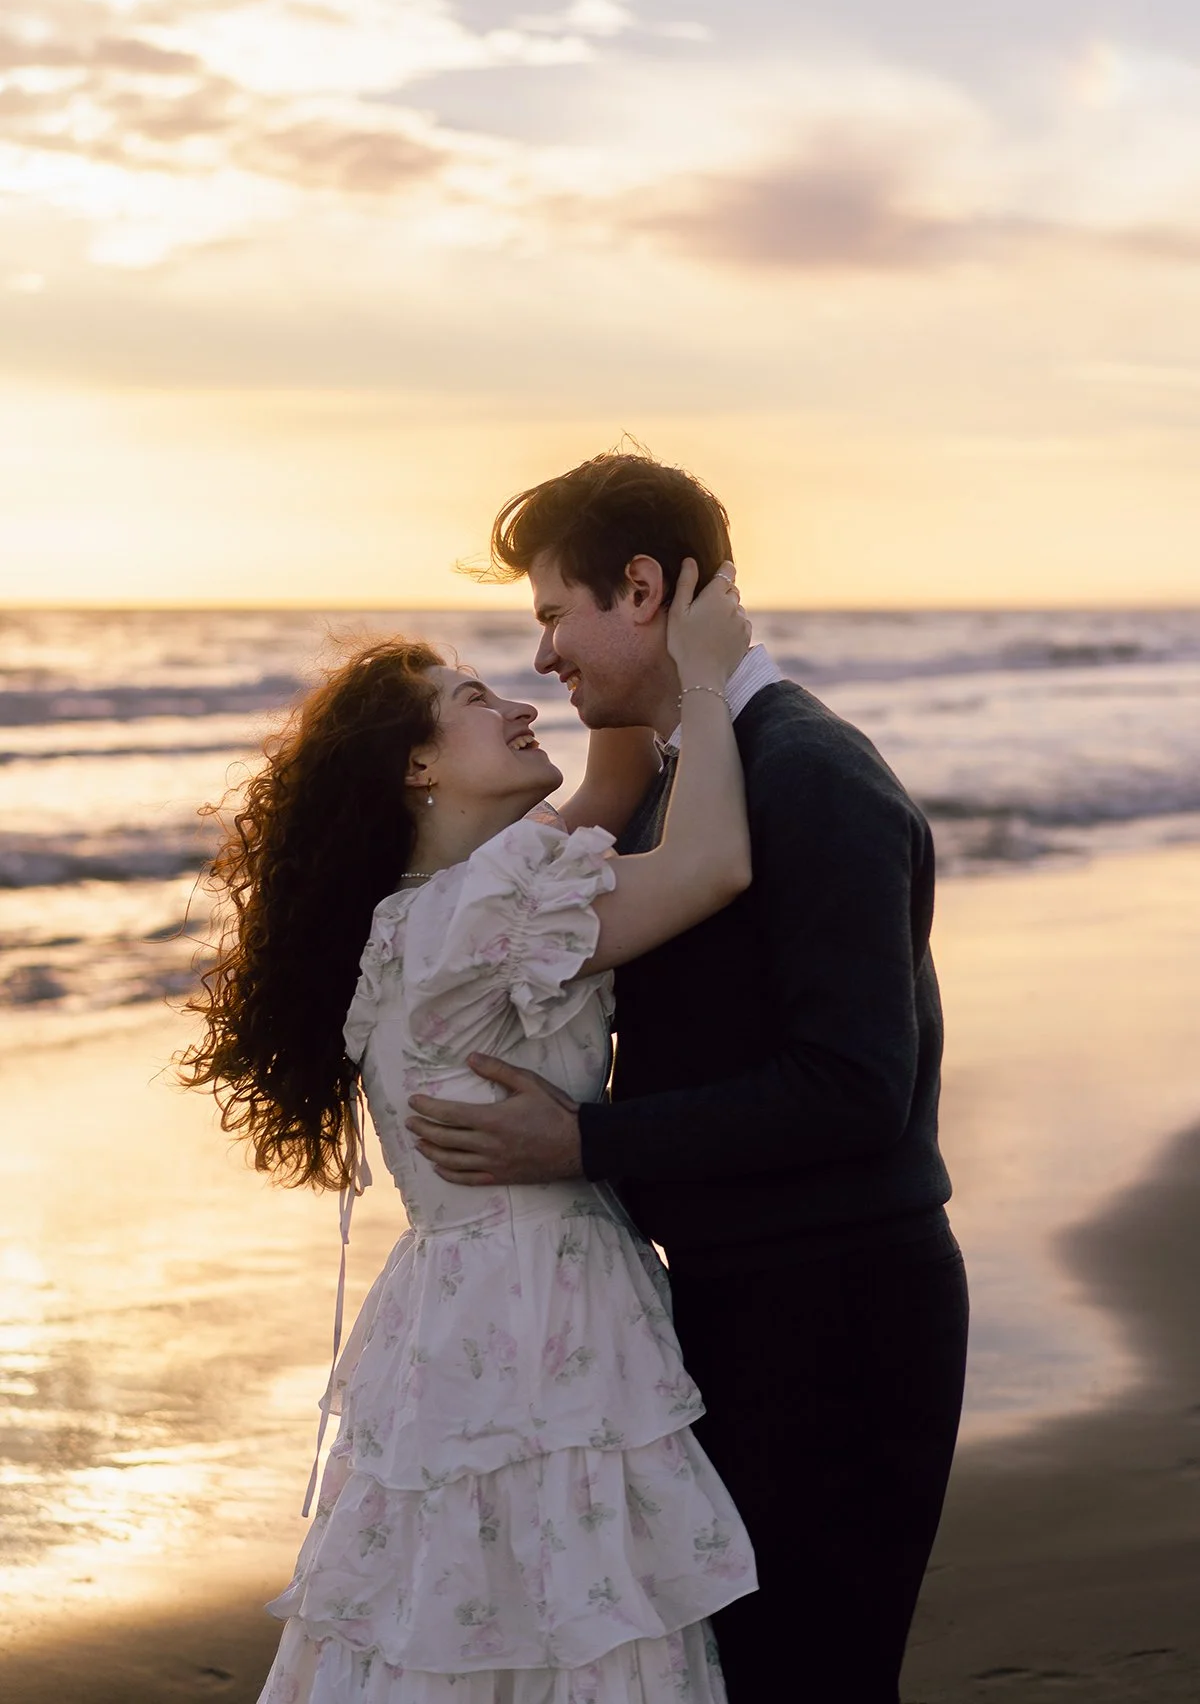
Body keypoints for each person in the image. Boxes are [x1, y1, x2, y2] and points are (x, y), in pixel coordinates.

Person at [407, 452, 971, 1704]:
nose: (545, 656)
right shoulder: (692, 769)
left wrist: (584, 1146)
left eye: (554, 612)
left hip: (842, 1311)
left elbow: (853, 1087)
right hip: (742, 1301)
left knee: (809, 1677)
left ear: (645, 588)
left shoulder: (809, 777)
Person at [178, 559, 758, 1704]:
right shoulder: (481, 915)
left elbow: (612, 786)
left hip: (452, 1310)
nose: (520, 701)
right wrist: (701, 671)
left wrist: (623, 656)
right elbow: (710, 863)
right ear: (421, 765)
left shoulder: (428, 912)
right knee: (567, 1617)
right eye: (477, 701)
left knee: (466, 1616)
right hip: (537, 1310)